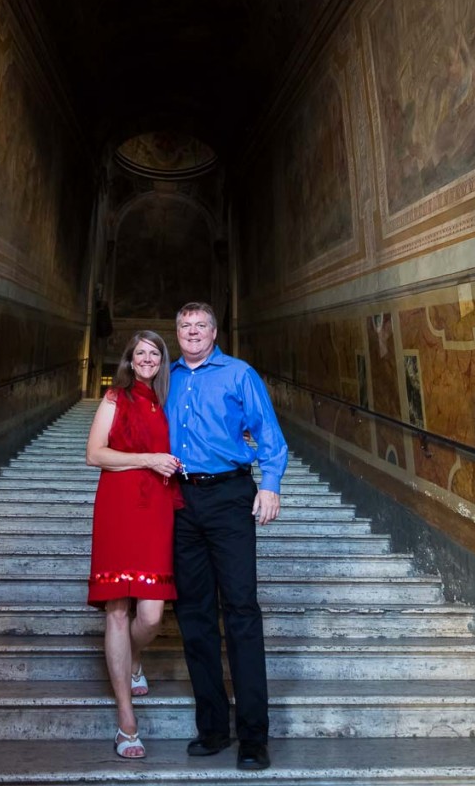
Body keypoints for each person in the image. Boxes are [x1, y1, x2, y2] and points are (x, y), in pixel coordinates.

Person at [166, 301, 288, 772]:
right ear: (176, 333)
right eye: (185, 326)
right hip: (180, 501)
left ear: (214, 332)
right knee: (193, 615)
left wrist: (271, 485)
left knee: (240, 611)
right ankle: (213, 729)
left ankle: (254, 737)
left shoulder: (240, 375)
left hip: (230, 496)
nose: (193, 332)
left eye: (201, 325)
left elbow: (270, 436)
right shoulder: (167, 379)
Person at [86, 331, 182, 759]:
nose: (146, 359)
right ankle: (127, 722)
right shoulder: (115, 399)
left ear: (162, 362)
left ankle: (135, 657)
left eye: (154, 354)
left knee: (151, 613)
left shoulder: (168, 401)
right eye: (139, 353)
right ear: (129, 359)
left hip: (157, 508)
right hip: (118, 507)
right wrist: (147, 459)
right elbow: (95, 454)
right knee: (118, 611)